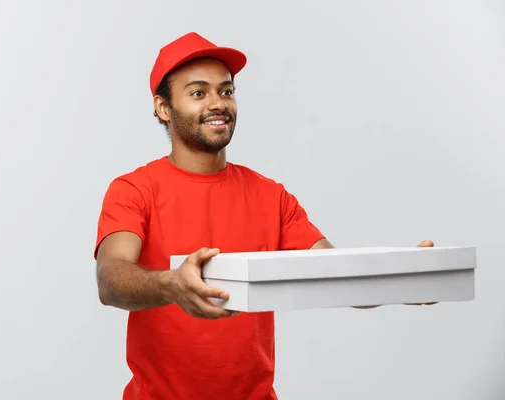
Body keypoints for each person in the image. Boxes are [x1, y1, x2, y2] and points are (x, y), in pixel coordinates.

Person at [94, 32, 435, 400]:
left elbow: (336, 273)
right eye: (198, 93)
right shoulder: (134, 190)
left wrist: (403, 279)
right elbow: (111, 280)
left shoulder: (271, 196)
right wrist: (171, 285)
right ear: (163, 108)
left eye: (226, 91)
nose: (217, 103)